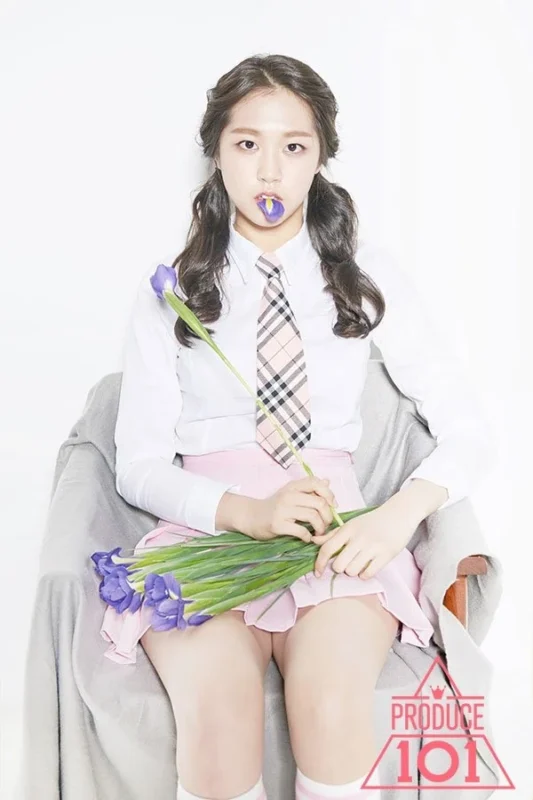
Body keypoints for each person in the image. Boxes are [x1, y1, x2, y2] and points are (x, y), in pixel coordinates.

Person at [98, 53, 495, 800]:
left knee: (333, 707)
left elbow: (469, 429)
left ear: (321, 156)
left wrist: (393, 520)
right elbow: (137, 465)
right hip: (209, 542)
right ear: (216, 152)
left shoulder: (367, 275)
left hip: (334, 542)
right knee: (220, 719)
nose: (270, 171)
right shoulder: (174, 289)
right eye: (247, 143)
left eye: (294, 146)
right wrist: (246, 512)